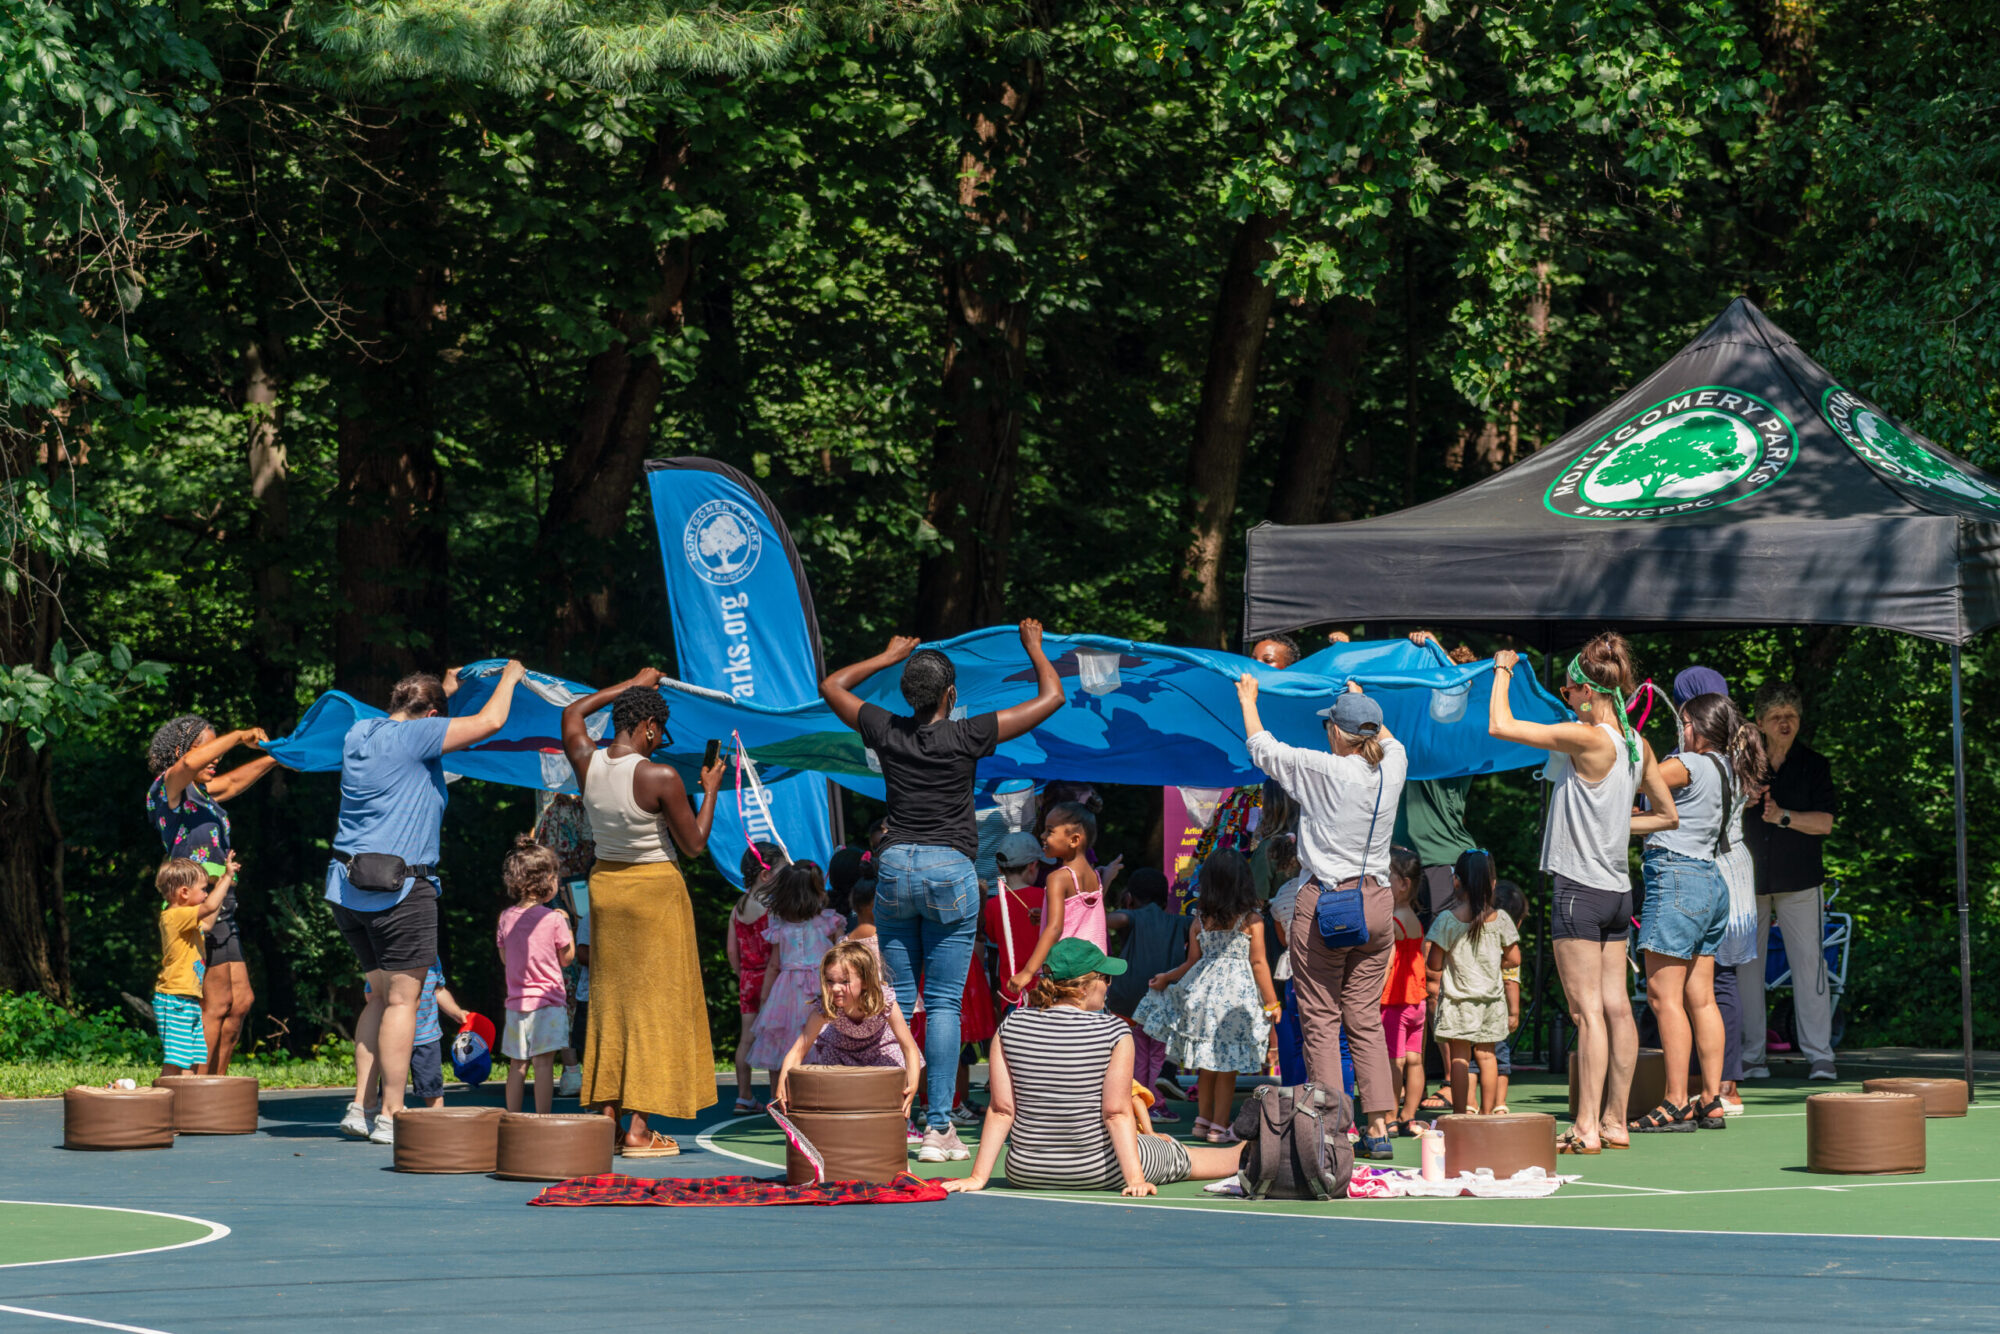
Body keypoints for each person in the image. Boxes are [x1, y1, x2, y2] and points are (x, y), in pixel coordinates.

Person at [818, 619, 1064, 1162]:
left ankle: (888, 1119)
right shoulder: (968, 732)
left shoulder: (886, 728)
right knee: (946, 1003)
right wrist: (1033, 648)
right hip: (950, 869)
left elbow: (831, 686)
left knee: (899, 1000)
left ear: (909, 695)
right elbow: (1052, 696)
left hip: (895, 868)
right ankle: (937, 1129)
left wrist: (886, 655)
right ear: (951, 696)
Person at [1489, 634, 1677, 1154]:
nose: (1566, 697)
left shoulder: (1587, 736)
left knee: (1587, 1013)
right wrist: (1616, 824)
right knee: (1617, 1008)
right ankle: (1616, 1121)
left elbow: (1500, 726)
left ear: (1590, 694)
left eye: (1570, 689)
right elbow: (1667, 815)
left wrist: (1503, 669)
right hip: (1618, 891)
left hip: (1578, 890)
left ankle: (1588, 1126)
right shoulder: (1638, 745)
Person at [331, 662, 527, 1145]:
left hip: (346, 887)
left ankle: (361, 1105)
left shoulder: (360, 732)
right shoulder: (417, 737)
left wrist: (443, 692)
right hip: (400, 891)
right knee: (403, 1000)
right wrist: (511, 678)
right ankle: (393, 1114)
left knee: (377, 996)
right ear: (433, 715)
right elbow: (491, 723)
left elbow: (408, 720)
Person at [1236, 673, 1406, 1161]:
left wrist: (1249, 699)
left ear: (1335, 732)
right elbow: (1387, 736)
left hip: (1327, 902)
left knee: (1320, 1016)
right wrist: (1360, 701)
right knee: (1365, 1018)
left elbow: (1261, 747)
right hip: (1377, 902)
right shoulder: (1393, 766)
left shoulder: (1322, 769)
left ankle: (1335, 1127)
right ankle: (1380, 1127)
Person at [558, 667, 727, 1157]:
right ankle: (637, 1129)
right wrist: (710, 785)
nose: (660, 742)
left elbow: (573, 712)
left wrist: (629, 685)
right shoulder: (660, 775)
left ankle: (606, 1118)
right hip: (655, 893)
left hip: (607, 890)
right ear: (651, 726)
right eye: (661, 733)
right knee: (655, 1008)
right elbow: (694, 845)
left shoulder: (586, 759)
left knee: (612, 1005)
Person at [943, 939, 1244, 1196]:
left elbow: (1001, 1110)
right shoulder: (1114, 1031)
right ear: (1087, 986)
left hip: (1025, 1170)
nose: (1109, 986)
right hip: (1101, 1170)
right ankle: (1253, 1153)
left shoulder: (1011, 1025)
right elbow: (1115, 1112)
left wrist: (978, 1177)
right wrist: (1135, 1179)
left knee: (1153, 1141)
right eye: (1106, 978)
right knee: (1181, 1153)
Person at [1628, 691, 1764, 1132]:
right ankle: (1711, 1098)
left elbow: (1640, 777)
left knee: (1663, 997)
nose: (1680, 732)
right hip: (1712, 882)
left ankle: (1674, 1101)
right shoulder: (1729, 768)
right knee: (1701, 998)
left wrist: (1629, 744)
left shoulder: (1692, 763)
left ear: (1700, 730)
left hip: (1677, 878)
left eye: (1684, 724)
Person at [145, 716, 278, 1074]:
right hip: (197, 911)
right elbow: (188, 765)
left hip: (222, 906)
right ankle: (195, 1092)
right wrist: (239, 735)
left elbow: (233, 782)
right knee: (217, 1003)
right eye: (206, 748)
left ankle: (214, 1089)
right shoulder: (166, 789)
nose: (213, 758)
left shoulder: (203, 794)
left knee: (241, 1002)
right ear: (179, 752)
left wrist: (278, 755)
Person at [1132, 850, 1279, 1144]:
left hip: (1202, 996)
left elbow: (1191, 962)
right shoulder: (1252, 920)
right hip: (1235, 1001)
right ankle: (1219, 1126)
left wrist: (1167, 977)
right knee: (1226, 1068)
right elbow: (1259, 963)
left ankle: (1202, 1122)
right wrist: (1272, 1002)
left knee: (1207, 1063)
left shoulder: (1200, 919)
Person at [1738, 680, 1840, 1081]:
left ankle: (1820, 1055)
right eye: (1777, 717)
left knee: (1810, 966)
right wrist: (1743, 801)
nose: (1785, 723)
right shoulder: (1741, 763)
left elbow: (1825, 823)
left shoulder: (1814, 764)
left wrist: (1783, 816)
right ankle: (1751, 1056)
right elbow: (1717, 813)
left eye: (1792, 716)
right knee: (1747, 969)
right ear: (1759, 721)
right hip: (1748, 879)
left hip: (1800, 881)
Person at [1673, 668, 1755, 1115]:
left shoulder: (1694, 755)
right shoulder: (1741, 745)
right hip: (1736, 864)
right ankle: (1726, 1082)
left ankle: (1713, 1083)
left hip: (1704, 862)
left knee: (1700, 979)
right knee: (1721, 979)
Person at [1394, 633, 1483, 925]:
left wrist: (1436, 651)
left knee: (1438, 959)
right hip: (1400, 857)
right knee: (1405, 956)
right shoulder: (1412, 721)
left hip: (1442, 857)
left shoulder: (1466, 732)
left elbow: (1454, 695)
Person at [773, 941, 921, 1115]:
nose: (835, 988)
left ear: (865, 981)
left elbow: (909, 1048)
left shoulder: (883, 1001)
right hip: (841, 1051)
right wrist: (783, 1084)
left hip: (880, 1049)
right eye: (830, 981)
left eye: (844, 981)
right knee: (827, 1068)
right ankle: (837, 1117)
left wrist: (912, 1086)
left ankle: (897, 1116)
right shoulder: (826, 1007)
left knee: (896, 1068)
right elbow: (798, 1050)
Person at [1424, 850, 1520, 1116]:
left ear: (1456, 881)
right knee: (1488, 1056)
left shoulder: (1447, 920)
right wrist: (1493, 964)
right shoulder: (1501, 919)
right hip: (1491, 1001)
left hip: (1457, 1003)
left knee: (1459, 1058)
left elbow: (1434, 963)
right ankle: (1488, 1113)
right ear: (1492, 884)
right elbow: (1514, 958)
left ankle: (1460, 1113)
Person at [495, 837, 575, 1115]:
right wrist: (567, 925)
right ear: (546, 882)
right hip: (548, 1003)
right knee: (543, 1064)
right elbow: (566, 958)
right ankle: (543, 1118)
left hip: (517, 1003)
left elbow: (505, 958)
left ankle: (514, 1118)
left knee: (517, 1065)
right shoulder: (553, 919)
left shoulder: (506, 917)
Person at [743, 863, 846, 1072]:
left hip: (785, 992)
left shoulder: (780, 925)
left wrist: (765, 1000)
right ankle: (816, 1095)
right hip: (821, 987)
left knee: (780, 1043)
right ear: (817, 889)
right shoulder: (828, 922)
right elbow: (841, 956)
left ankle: (776, 1096)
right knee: (819, 1036)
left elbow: (774, 965)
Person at [1104, 868, 1187, 1123]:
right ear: (1165, 900)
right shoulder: (1180, 923)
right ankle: (1155, 1105)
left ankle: (1137, 1102)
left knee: (1138, 1053)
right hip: (1164, 1002)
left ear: (1130, 897)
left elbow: (1108, 920)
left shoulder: (1131, 917)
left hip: (1129, 999)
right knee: (1158, 1054)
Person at [1005, 802, 1107, 991]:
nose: (1042, 836)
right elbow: (1078, 917)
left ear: (1074, 840)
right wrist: (1044, 914)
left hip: (1067, 974)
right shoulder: (1094, 876)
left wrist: (1027, 972)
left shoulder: (1058, 878)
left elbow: (1055, 928)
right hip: (1095, 972)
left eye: (1049, 831)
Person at [153, 856, 237, 1078]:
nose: (206, 894)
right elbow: (209, 906)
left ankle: (185, 1105)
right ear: (184, 892)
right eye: (202, 888)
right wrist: (226, 877)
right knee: (176, 1062)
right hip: (173, 999)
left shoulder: (186, 918)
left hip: (187, 999)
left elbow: (208, 923)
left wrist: (220, 886)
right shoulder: (175, 915)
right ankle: (161, 1102)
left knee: (189, 1061)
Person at [359, 956, 467, 1115]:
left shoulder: (432, 960)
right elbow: (372, 996)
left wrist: (456, 1011)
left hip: (426, 1037)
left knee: (432, 1089)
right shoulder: (388, 962)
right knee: (389, 1086)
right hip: (394, 1040)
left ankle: (437, 1121)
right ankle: (384, 1118)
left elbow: (439, 990)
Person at [728, 843, 786, 1114]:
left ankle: (744, 1096)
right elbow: (779, 947)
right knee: (776, 1038)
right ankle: (779, 1097)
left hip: (748, 979)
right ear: (766, 875)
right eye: (780, 873)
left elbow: (731, 950)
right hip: (771, 980)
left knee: (746, 1039)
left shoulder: (737, 908)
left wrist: (743, 975)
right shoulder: (773, 908)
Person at [1380, 846, 1429, 1132]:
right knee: (1415, 1060)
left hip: (1395, 1003)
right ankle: (1409, 1115)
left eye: (1387, 878)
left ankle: (1389, 1116)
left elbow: (1387, 965)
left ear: (1403, 884)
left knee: (1394, 1062)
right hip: (1417, 1003)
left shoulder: (1393, 921)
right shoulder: (1414, 919)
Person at [1263, 834, 1309, 1086]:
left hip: (1292, 969)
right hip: (1325, 970)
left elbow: (1282, 939)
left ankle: (1292, 1089)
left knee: (1292, 1035)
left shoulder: (1283, 893)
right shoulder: (1327, 888)